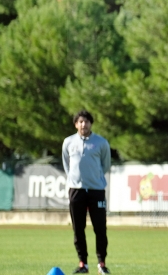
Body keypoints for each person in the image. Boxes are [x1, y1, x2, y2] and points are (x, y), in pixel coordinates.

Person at [62, 110, 112, 274]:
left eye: (87, 121)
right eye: (80, 122)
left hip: (96, 190)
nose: (84, 124)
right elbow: (67, 165)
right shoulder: (68, 142)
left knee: (100, 228)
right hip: (76, 191)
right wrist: (75, 180)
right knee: (78, 228)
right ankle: (83, 263)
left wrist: (94, 178)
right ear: (76, 124)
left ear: (91, 124)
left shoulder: (101, 142)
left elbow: (105, 164)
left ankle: (101, 263)